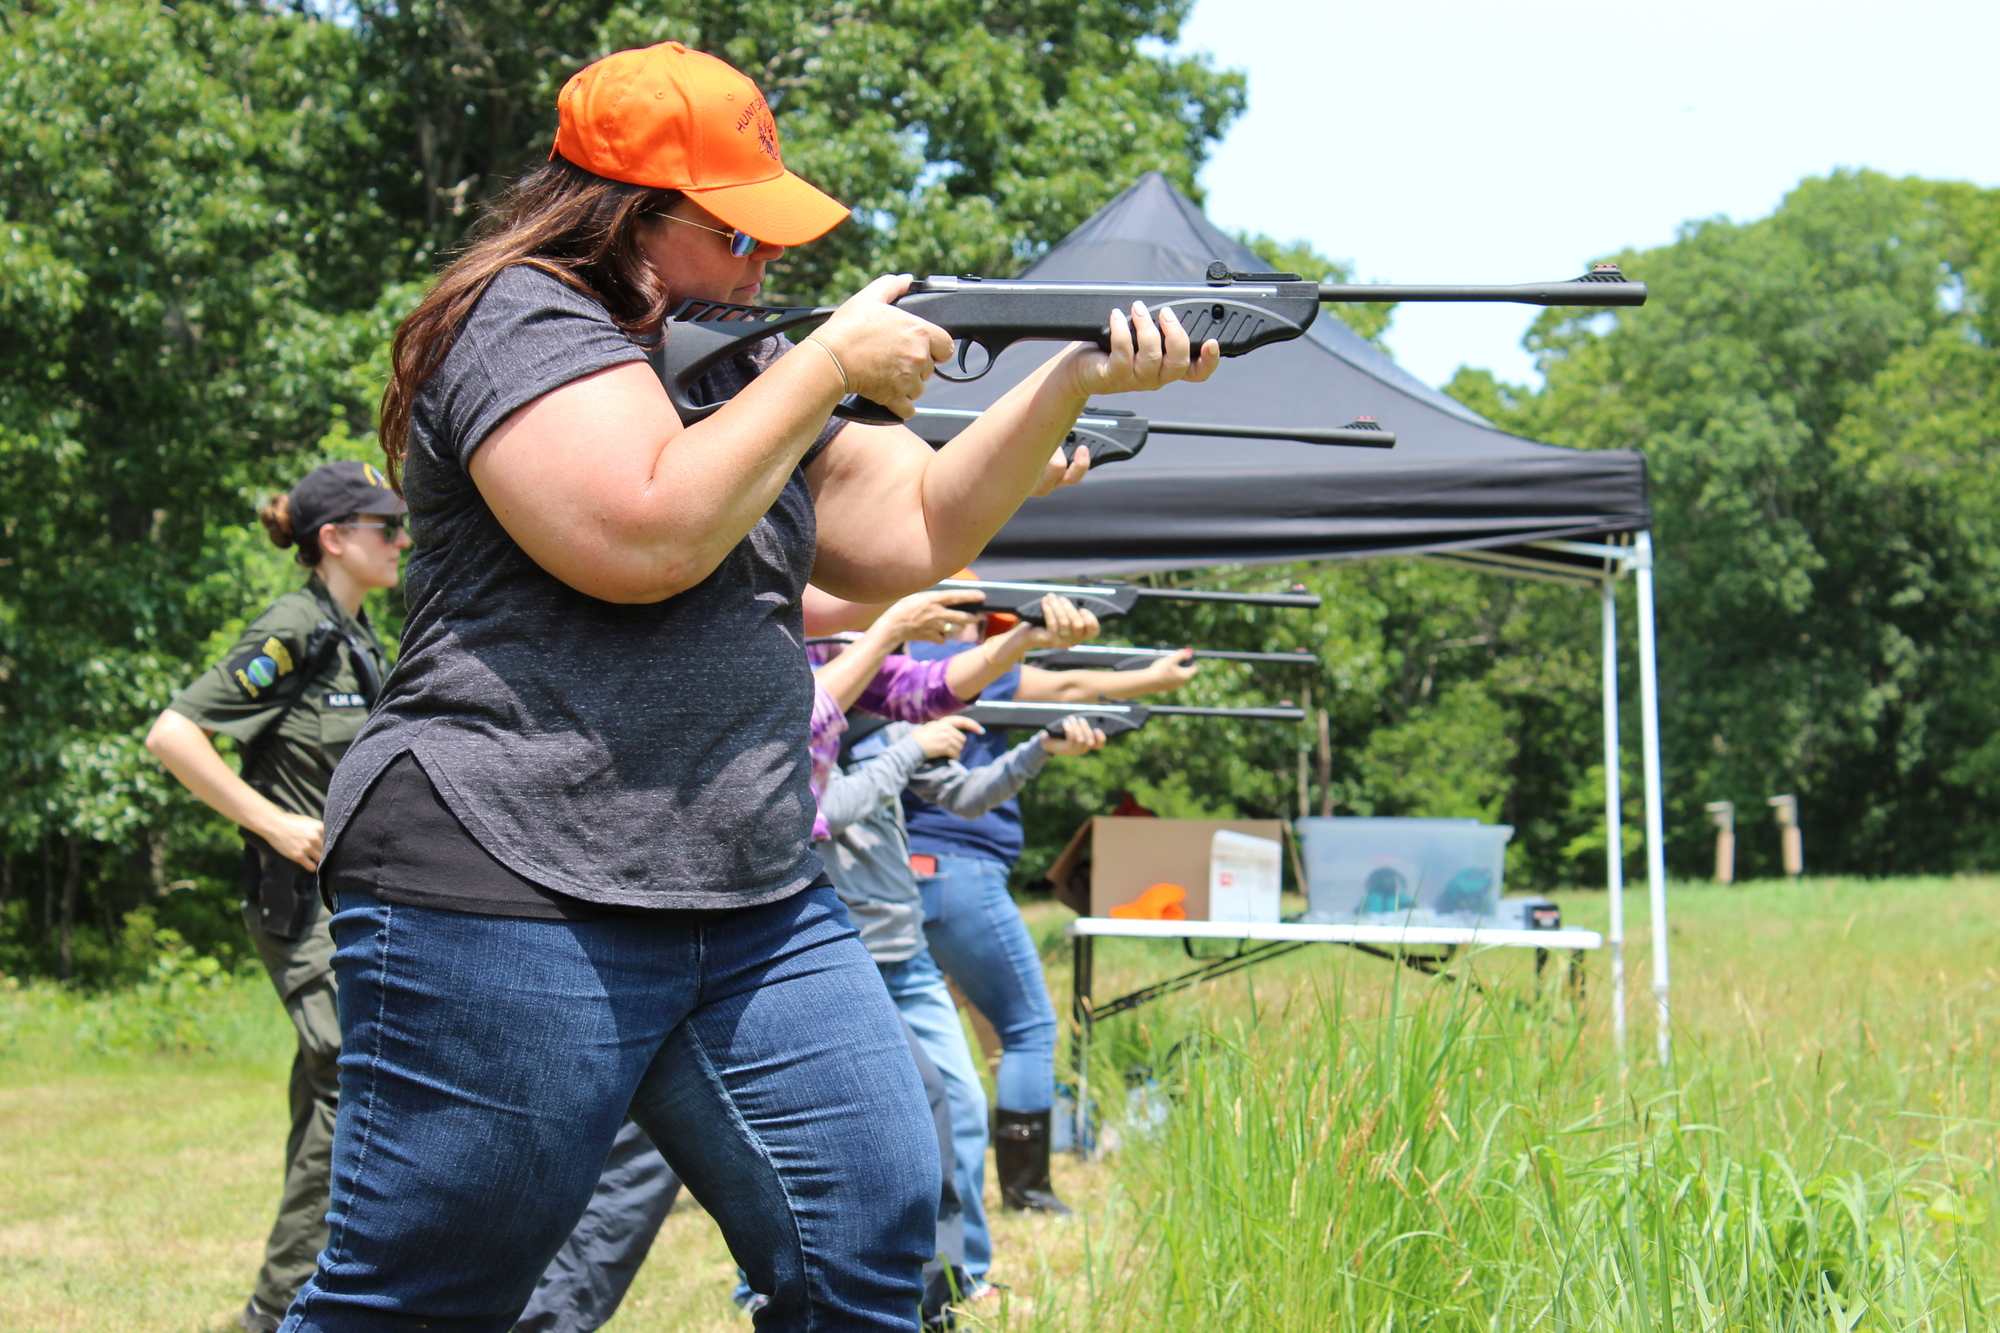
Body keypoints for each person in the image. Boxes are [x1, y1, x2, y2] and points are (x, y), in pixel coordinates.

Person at [287, 38, 1218, 1333]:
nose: (765, 263)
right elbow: (639, 537)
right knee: (428, 1298)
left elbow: (913, 531)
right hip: (505, 867)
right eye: (735, 234)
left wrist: (1069, 379)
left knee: (872, 1239)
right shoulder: (522, 317)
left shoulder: (728, 358)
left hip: (747, 881)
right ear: (623, 213)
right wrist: (828, 363)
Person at [141, 462, 406, 1333]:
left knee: (326, 1088)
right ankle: (275, 1311)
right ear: (334, 539)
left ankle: (312, 1285)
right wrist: (276, 822)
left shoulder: (360, 636)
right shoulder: (296, 628)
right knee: (350, 1080)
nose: (402, 540)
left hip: (350, 901)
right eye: (385, 526)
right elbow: (175, 733)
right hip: (296, 902)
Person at [903, 608, 1198, 1214]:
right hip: (963, 871)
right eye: (980, 615)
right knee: (1029, 1028)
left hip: (897, 873)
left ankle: (919, 1186)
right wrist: (1155, 678)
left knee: (917, 1038)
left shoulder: (890, 670)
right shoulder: (959, 667)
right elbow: (1064, 686)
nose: (989, 626)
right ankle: (1027, 1192)